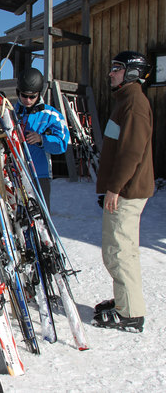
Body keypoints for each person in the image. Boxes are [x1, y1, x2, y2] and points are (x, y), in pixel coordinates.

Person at [93, 51, 154, 333]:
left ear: (132, 72)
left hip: (127, 191)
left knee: (119, 251)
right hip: (122, 189)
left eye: (117, 68)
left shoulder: (134, 104)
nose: (111, 73)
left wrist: (115, 189)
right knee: (119, 249)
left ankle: (130, 314)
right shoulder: (126, 101)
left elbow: (131, 153)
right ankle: (124, 301)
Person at [14, 68, 69, 210]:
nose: (27, 100)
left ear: (39, 94)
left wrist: (42, 139)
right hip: (15, 175)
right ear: (18, 92)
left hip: (39, 174)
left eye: (32, 97)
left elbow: (62, 143)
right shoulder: (9, 114)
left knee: (41, 217)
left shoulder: (50, 115)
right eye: (24, 96)